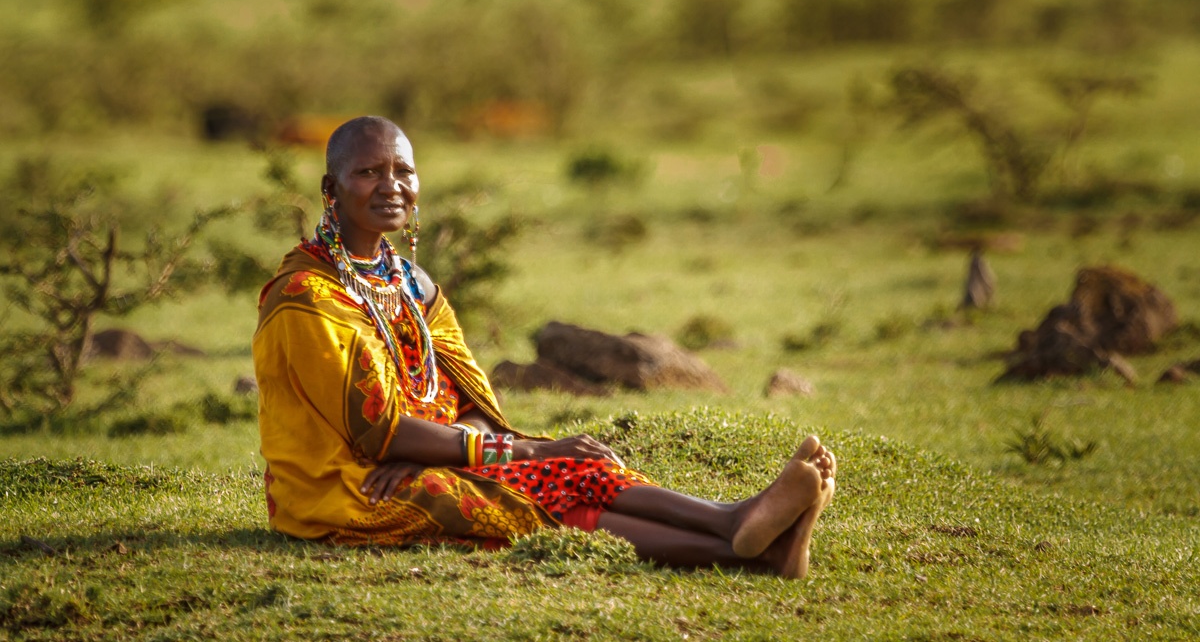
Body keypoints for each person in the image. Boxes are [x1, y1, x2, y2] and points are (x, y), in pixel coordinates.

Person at [253, 116, 836, 577]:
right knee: (517, 487)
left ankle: (736, 519)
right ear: (332, 188)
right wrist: (517, 454)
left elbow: (470, 398)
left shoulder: (412, 281)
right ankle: (749, 551)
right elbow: (374, 432)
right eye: (368, 172)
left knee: (572, 465)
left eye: (402, 170)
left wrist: (469, 448)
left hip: (428, 455)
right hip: (344, 487)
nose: (391, 186)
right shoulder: (307, 296)